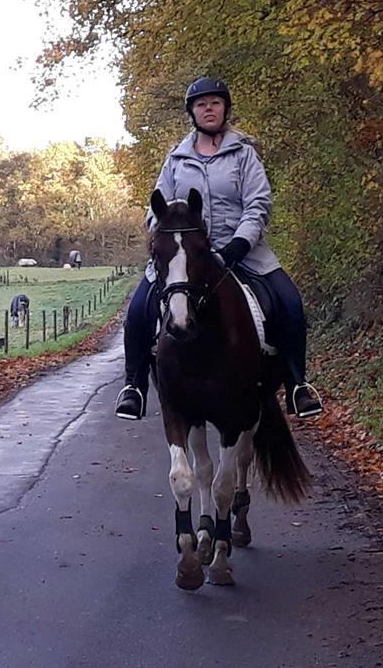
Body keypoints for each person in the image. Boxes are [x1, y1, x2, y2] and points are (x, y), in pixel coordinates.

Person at [115, 76, 323, 421]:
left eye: (214, 102)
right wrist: (164, 238)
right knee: (137, 310)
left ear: (225, 109)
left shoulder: (244, 154)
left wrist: (239, 244)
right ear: (192, 113)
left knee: (289, 302)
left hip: (241, 249)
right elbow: (156, 208)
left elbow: (258, 203)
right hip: (186, 255)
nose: (208, 109)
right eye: (201, 104)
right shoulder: (177, 160)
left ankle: (298, 384)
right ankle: (134, 386)